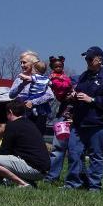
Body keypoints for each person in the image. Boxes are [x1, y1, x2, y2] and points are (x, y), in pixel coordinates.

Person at [64, 46, 103, 192]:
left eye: (90, 59)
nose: (87, 61)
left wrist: (93, 100)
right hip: (80, 122)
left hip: (100, 123)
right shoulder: (84, 76)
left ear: (99, 60)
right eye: (86, 59)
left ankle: (94, 186)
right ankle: (72, 183)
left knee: (96, 155)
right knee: (74, 152)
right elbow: (78, 92)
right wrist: (73, 97)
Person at [0, 101, 51, 187]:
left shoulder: (12, 125)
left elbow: (4, 152)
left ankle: (23, 183)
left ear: (10, 112)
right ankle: (29, 183)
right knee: (3, 160)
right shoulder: (29, 123)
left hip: (33, 168)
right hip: (43, 170)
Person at [9, 51, 55, 135]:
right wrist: (22, 84)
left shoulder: (40, 79)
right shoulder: (19, 79)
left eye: (24, 62)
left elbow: (50, 95)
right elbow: (11, 95)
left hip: (38, 117)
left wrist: (32, 102)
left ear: (33, 64)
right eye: (21, 63)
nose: (22, 65)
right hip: (22, 116)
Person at [44, 55, 74, 183]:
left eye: (60, 66)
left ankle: (71, 177)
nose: (58, 68)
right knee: (58, 147)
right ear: (52, 67)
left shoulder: (65, 77)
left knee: (64, 146)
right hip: (56, 111)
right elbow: (62, 87)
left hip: (65, 111)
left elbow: (68, 85)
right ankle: (52, 176)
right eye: (56, 66)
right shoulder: (51, 79)